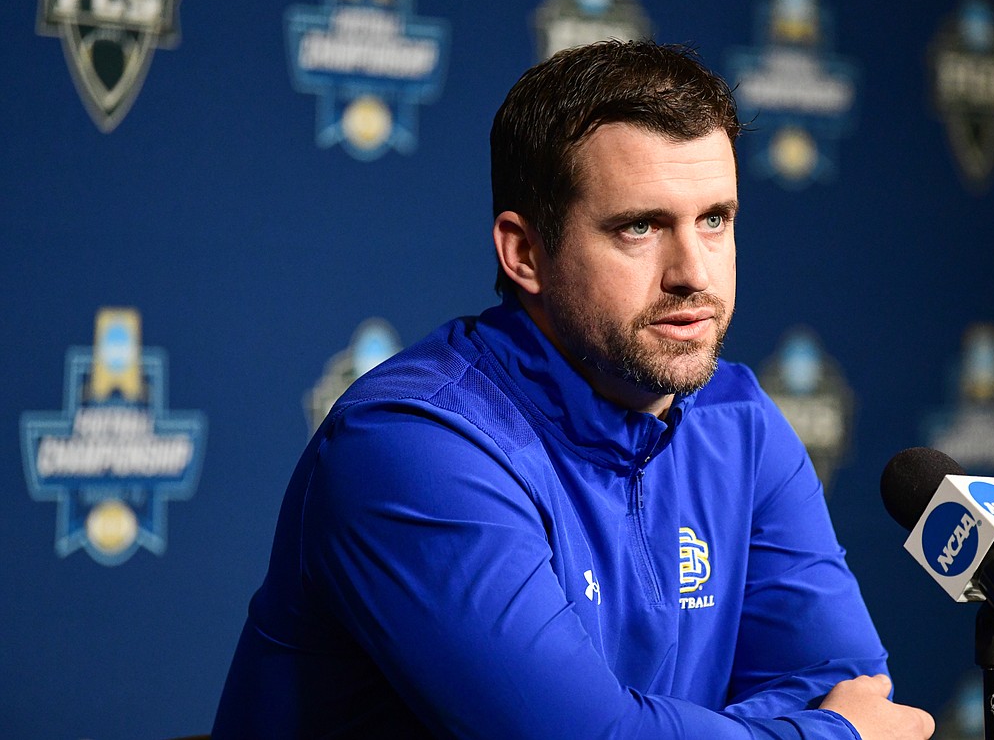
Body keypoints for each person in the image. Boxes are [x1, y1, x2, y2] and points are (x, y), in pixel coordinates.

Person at [212, 40, 934, 739]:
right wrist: (827, 736)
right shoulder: (411, 444)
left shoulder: (738, 419)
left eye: (715, 219)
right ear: (524, 252)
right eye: (640, 227)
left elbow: (843, 683)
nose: (693, 271)